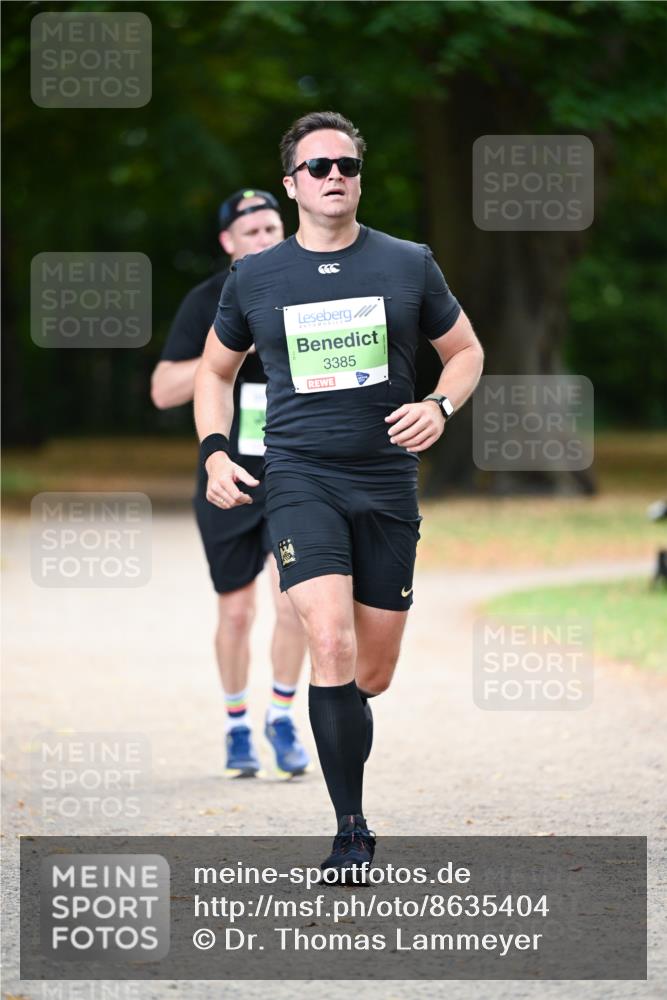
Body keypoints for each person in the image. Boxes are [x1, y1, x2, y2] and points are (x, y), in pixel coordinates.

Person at [194, 112, 484, 878]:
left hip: (385, 481)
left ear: (359, 178)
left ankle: (338, 729)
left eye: (346, 166)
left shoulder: (407, 263)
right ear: (291, 184)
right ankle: (350, 829)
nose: (333, 176)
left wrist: (439, 405)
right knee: (328, 641)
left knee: (369, 673)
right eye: (317, 166)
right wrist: (214, 450)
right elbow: (214, 372)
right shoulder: (256, 277)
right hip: (299, 478)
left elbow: (464, 351)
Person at [151, 189, 310, 780]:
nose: (265, 240)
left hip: (295, 472)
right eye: (252, 232)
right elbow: (163, 390)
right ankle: (237, 725)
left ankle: (283, 717)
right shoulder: (207, 300)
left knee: (294, 600)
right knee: (237, 612)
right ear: (228, 242)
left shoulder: (309, 288)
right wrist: (228, 348)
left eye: (272, 229)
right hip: (227, 475)